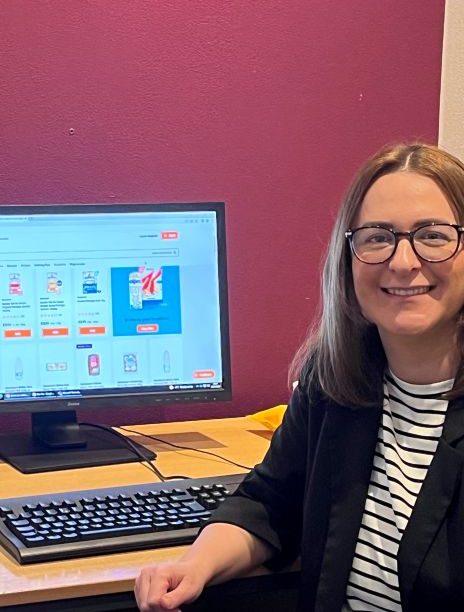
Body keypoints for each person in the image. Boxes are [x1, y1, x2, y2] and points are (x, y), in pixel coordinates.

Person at [135, 143, 464, 611]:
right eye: (376, 237)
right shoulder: (336, 379)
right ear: (347, 259)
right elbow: (270, 501)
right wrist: (194, 565)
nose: (403, 261)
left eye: (433, 235)